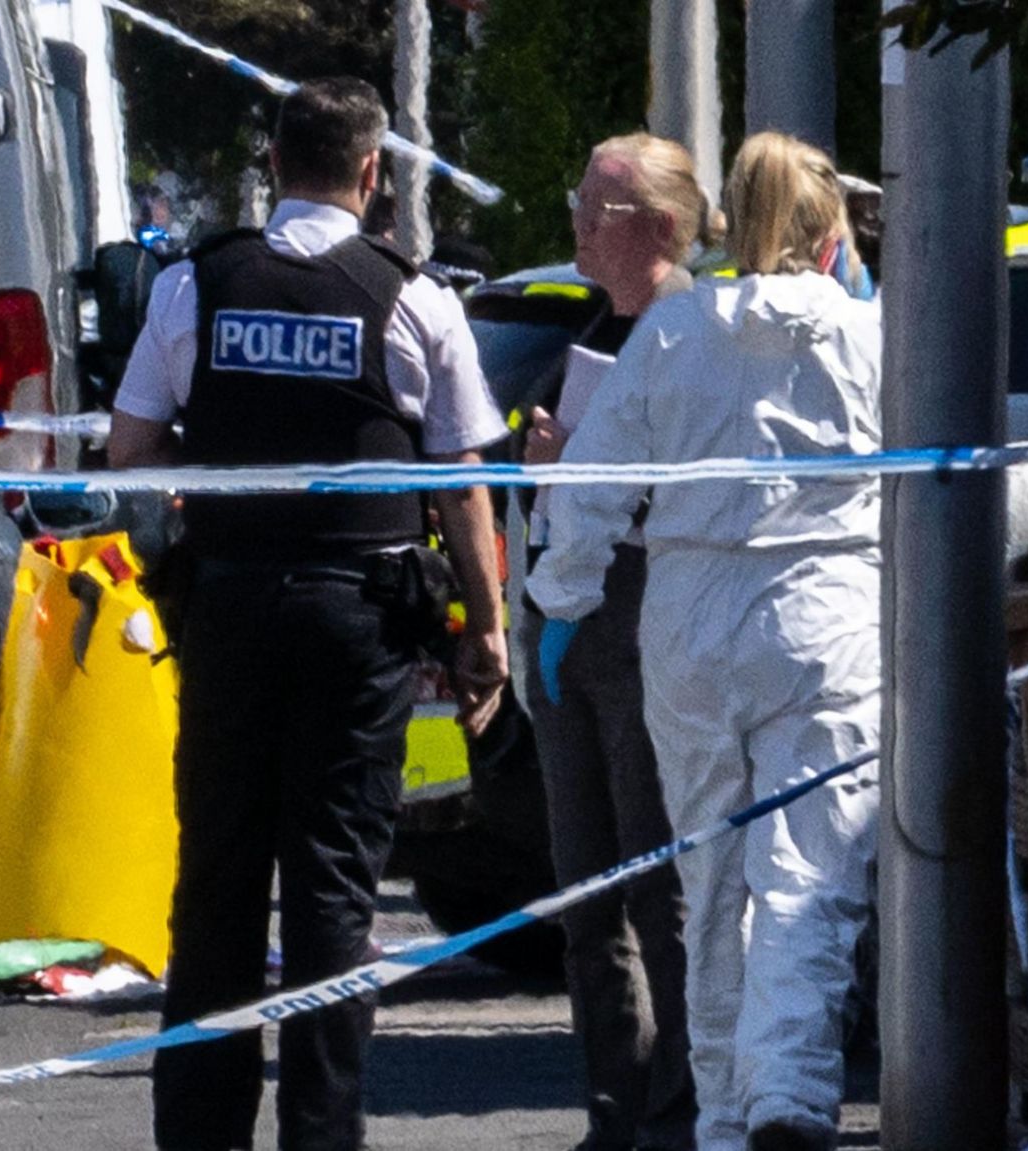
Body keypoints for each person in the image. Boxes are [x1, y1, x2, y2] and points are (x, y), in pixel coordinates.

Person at [107, 76, 510, 1151]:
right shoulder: (413, 297)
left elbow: (129, 452)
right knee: (333, 891)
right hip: (357, 622)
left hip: (231, 612)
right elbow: (462, 483)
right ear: (373, 174)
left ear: (273, 162)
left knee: (218, 884)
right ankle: (322, 1132)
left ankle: (198, 1133)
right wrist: (485, 628)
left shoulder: (197, 283)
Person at [527, 132, 884, 1151]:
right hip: (825, 619)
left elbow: (589, 485)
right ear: (829, 238)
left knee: (710, 879)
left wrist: (562, 601)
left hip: (688, 623)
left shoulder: (677, 331)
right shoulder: (864, 334)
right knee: (807, 878)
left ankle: (727, 1116)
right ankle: (786, 1095)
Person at [521, 133, 709, 1151]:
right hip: (565, 614)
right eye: (578, 200)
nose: (581, 225)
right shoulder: (593, 330)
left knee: (657, 876)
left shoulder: (692, 333)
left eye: (603, 207)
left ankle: (677, 1108)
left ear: (664, 228)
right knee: (585, 887)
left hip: (645, 615)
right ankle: (613, 1105)